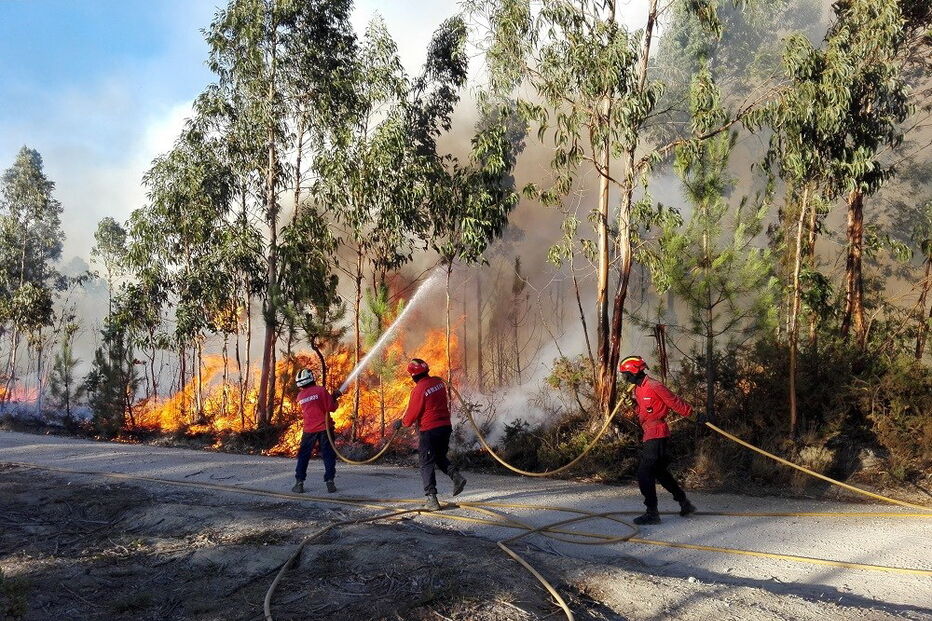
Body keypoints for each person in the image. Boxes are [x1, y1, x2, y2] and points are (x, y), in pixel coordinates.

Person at [619, 355, 702, 525]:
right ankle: (684, 503)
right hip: (649, 433)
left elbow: (674, 402)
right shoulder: (638, 388)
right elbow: (645, 412)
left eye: (625, 374)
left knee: (644, 473)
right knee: (659, 472)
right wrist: (633, 405)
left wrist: (695, 416)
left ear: (634, 372)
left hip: (657, 433)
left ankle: (652, 513)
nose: (624, 378)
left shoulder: (654, 385)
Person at [391, 358, 466, 511]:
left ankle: (431, 499)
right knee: (439, 457)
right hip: (445, 426)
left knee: (426, 462)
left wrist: (401, 423)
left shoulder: (419, 389)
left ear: (413, 375)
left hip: (430, 430)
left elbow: (412, 414)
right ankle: (456, 476)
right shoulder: (438, 383)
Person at [292, 369, 341, 494]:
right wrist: (334, 398)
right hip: (325, 429)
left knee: (303, 456)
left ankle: (299, 483)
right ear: (311, 378)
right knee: (328, 455)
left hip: (308, 430)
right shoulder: (321, 390)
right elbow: (331, 408)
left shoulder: (300, 396)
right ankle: (330, 481)